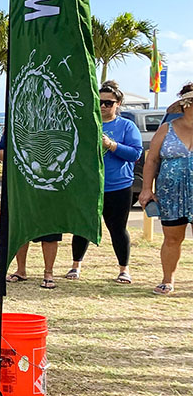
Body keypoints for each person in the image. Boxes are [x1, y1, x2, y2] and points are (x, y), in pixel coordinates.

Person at [65, 81, 143, 284]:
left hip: (118, 185)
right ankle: (75, 266)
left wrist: (112, 145)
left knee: (117, 228)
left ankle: (123, 269)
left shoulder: (127, 126)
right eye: (99, 102)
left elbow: (135, 153)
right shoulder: (87, 123)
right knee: (83, 226)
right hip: (89, 186)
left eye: (108, 103)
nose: (102, 107)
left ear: (118, 104)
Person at [139, 88, 193, 296]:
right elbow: (152, 159)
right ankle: (167, 279)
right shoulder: (166, 128)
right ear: (186, 105)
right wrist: (146, 189)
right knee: (172, 238)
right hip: (171, 193)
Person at [0, 133, 61, 288]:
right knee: (21, 230)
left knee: (50, 232)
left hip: (50, 187)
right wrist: (23, 155)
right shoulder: (15, 125)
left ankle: (48, 273)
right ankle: (20, 270)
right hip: (21, 188)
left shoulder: (55, 127)